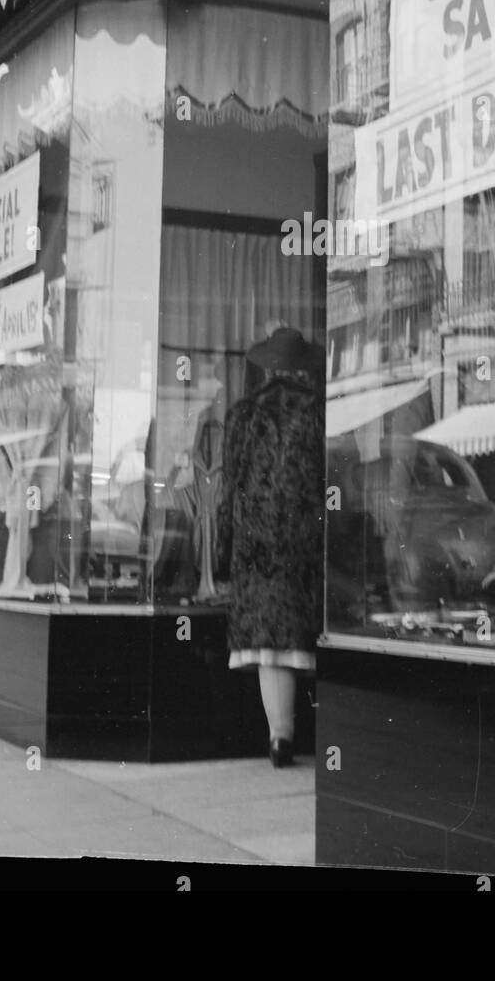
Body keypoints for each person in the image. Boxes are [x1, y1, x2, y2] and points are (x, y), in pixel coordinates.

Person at [215, 326, 324, 767]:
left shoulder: (243, 414)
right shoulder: (318, 412)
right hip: (303, 536)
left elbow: (229, 486)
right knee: (309, 635)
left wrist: (224, 548)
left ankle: (280, 736)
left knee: (269, 646)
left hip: (256, 541)